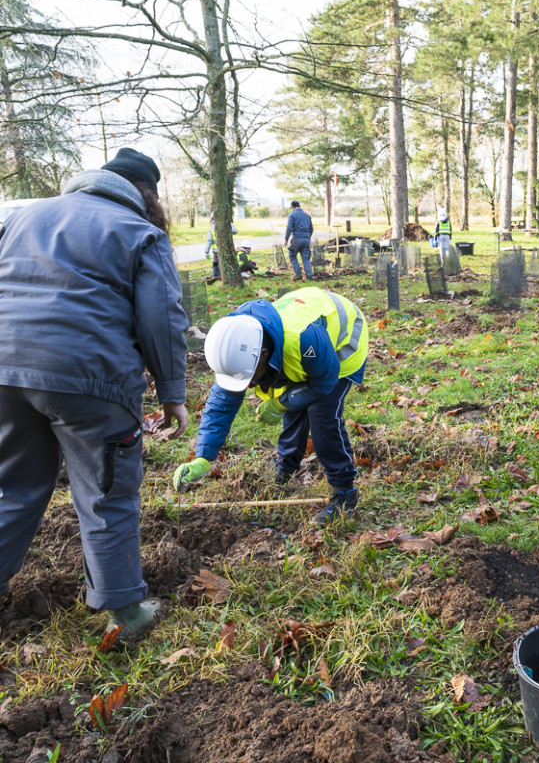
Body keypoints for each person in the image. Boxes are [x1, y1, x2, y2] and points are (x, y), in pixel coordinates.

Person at [0, 147, 189, 637]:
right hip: (90, 380)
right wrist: (172, 393)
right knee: (106, 492)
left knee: (12, 489)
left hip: (4, 370)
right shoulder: (140, 232)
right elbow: (161, 319)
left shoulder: (23, 217)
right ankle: (126, 613)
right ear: (146, 196)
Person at [172, 287, 369, 526]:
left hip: (342, 343)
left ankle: (344, 493)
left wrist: (281, 402)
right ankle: (285, 470)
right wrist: (202, 458)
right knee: (296, 407)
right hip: (303, 346)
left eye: (248, 376)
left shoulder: (303, 338)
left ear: (264, 354)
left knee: (321, 416)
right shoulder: (239, 343)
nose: (247, 384)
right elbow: (221, 404)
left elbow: (323, 383)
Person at [285, 200, 314, 281]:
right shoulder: (307, 215)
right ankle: (309, 276)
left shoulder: (292, 215)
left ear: (292, 207)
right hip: (306, 240)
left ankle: (297, 274)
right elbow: (311, 229)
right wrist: (307, 237)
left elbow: (289, 228)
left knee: (292, 255)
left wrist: (286, 240)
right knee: (306, 258)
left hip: (296, 239)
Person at [205, 213, 237, 280]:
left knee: (216, 264)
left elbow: (209, 240)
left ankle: (215, 276)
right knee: (220, 263)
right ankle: (217, 276)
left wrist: (206, 251)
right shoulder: (227, 223)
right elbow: (234, 231)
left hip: (218, 250)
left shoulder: (213, 226)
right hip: (223, 249)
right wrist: (206, 251)